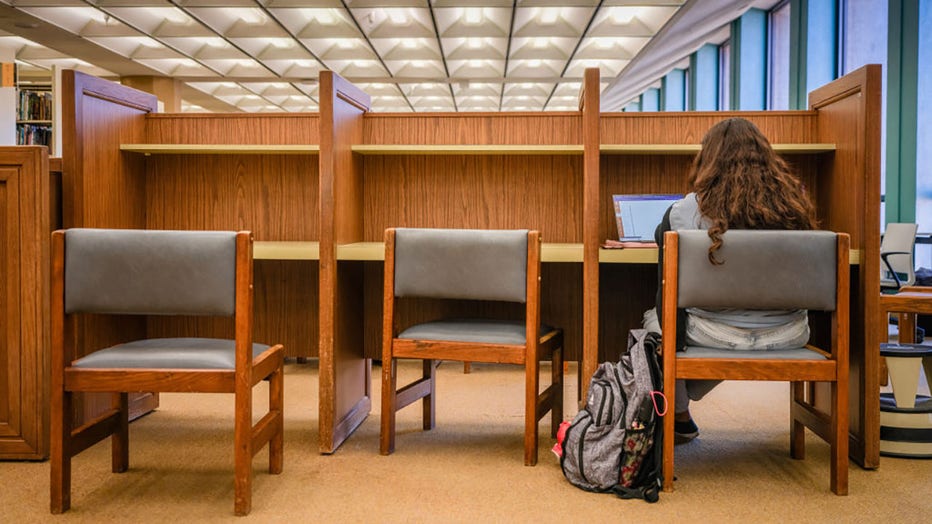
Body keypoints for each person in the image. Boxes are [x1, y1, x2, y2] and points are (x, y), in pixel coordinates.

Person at [642, 117, 819, 443]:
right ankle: (685, 399)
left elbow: (665, 294)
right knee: (670, 321)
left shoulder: (684, 212)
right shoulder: (796, 206)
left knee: (655, 322)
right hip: (789, 334)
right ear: (767, 156)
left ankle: (678, 415)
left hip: (712, 335)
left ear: (707, 160)